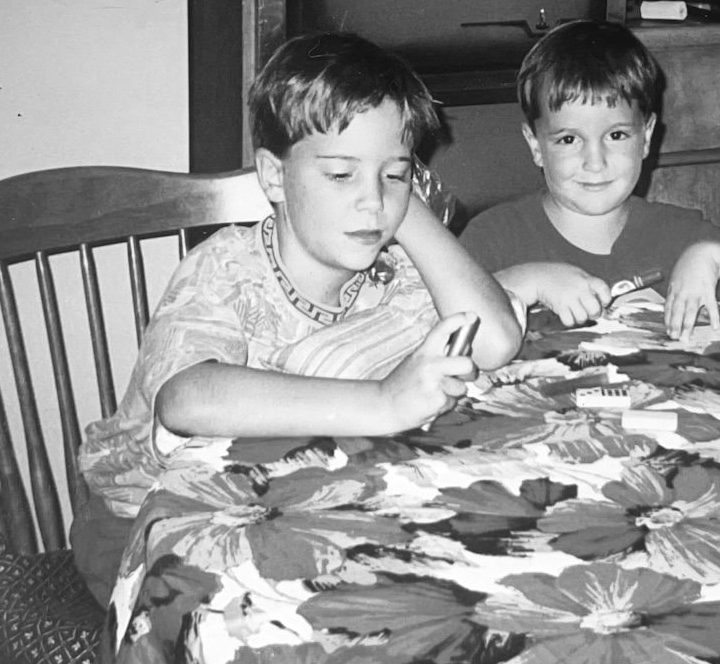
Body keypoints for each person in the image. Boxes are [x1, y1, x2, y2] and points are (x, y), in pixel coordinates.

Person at [72, 31, 523, 602]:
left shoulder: (393, 258)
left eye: (396, 173)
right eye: (341, 175)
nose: (372, 202)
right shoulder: (224, 270)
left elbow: (496, 340)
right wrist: (385, 402)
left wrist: (406, 211)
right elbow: (185, 400)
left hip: (284, 497)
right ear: (273, 176)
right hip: (142, 527)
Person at [459, 19, 720, 340]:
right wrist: (525, 282)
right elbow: (439, 324)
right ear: (536, 145)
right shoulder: (494, 236)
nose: (594, 163)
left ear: (647, 137)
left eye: (616, 136)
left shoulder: (679, 235)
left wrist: (714, 257)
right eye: (569, 139)